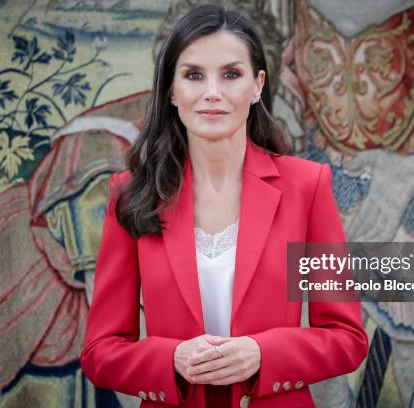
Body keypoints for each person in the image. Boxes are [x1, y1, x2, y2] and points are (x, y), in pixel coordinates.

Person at [80, 4, 368, 407]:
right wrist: (171, 359)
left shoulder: (308, 187)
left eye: (231, 74)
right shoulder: (131, 194)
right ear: (171, 90)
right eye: (194, 75)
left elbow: (346, 337)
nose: (212, 92)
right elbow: (100, 352)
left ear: (257, 85)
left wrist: (264, 355)